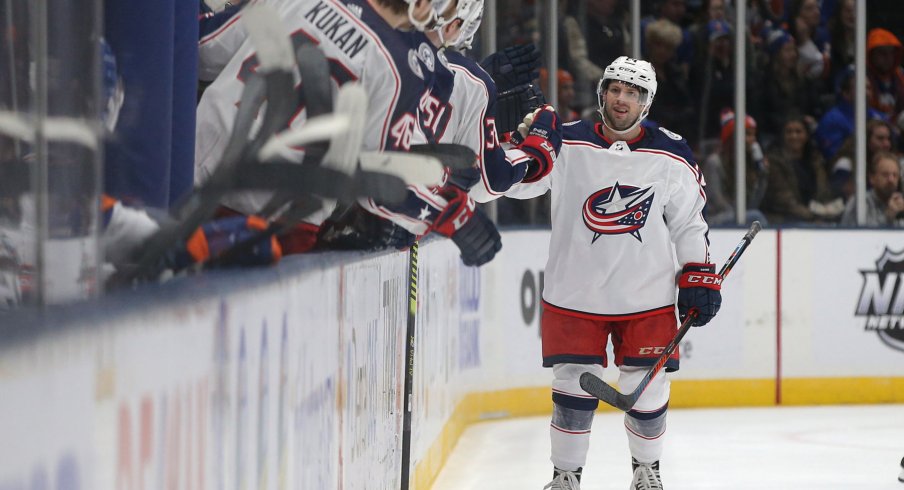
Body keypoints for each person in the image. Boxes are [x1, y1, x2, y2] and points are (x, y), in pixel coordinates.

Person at [504, 56, 717, 490]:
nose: (623, 99)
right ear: (602, 92)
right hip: (574, 294)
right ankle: (565, 476)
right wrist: (513, 143)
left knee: (647, 385)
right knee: (572, 386)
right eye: (616, 88)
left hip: (646, 297)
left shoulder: (672, 152)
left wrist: (697, 274)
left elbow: (689, 222)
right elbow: (514, 183)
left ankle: (647, 471)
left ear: (647, 102)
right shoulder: (565, 142)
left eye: (634, 92)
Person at [195, 0, 503, 266]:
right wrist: (454, 213)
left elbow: (202, 48)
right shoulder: (400, 68)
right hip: (277, 228)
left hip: (190, 185)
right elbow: (382, 187)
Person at [702, 110, 769, 226]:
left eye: (754, 135)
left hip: (737, 216)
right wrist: (741, 215)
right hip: (714, 220)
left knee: (756, 215)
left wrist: (762, 176)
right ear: (733, 137)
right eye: (748, 134)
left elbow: (752, 205)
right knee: (757, 217)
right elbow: (717, 202)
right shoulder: (714, 162)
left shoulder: (746, 165)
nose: (753, 140)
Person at [840, 152, 904, 227]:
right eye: (885, 174)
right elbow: (855, 235)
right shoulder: (859, 203)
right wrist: (887, 217)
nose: (891, 179)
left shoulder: (900, 203)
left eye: (895, 175)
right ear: (872, 178)